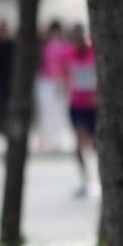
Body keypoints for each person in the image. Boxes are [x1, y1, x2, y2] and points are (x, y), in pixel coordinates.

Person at [61, 23, 98, 196]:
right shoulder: (68, 54)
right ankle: (84, 180)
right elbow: (64, 75)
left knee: (96, 143)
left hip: (94, 105)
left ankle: (100, 178)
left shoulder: (94, 53)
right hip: (76, 104)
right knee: (78, 144)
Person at [35, 19, 71, 152]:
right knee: (45, 111)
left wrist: (64, 82)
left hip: (59, 81)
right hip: (45, 80)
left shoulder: (65, 46)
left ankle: (59, 138)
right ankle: (45, 139)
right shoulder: (44, 46)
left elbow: (67, 66)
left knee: (59, 111)